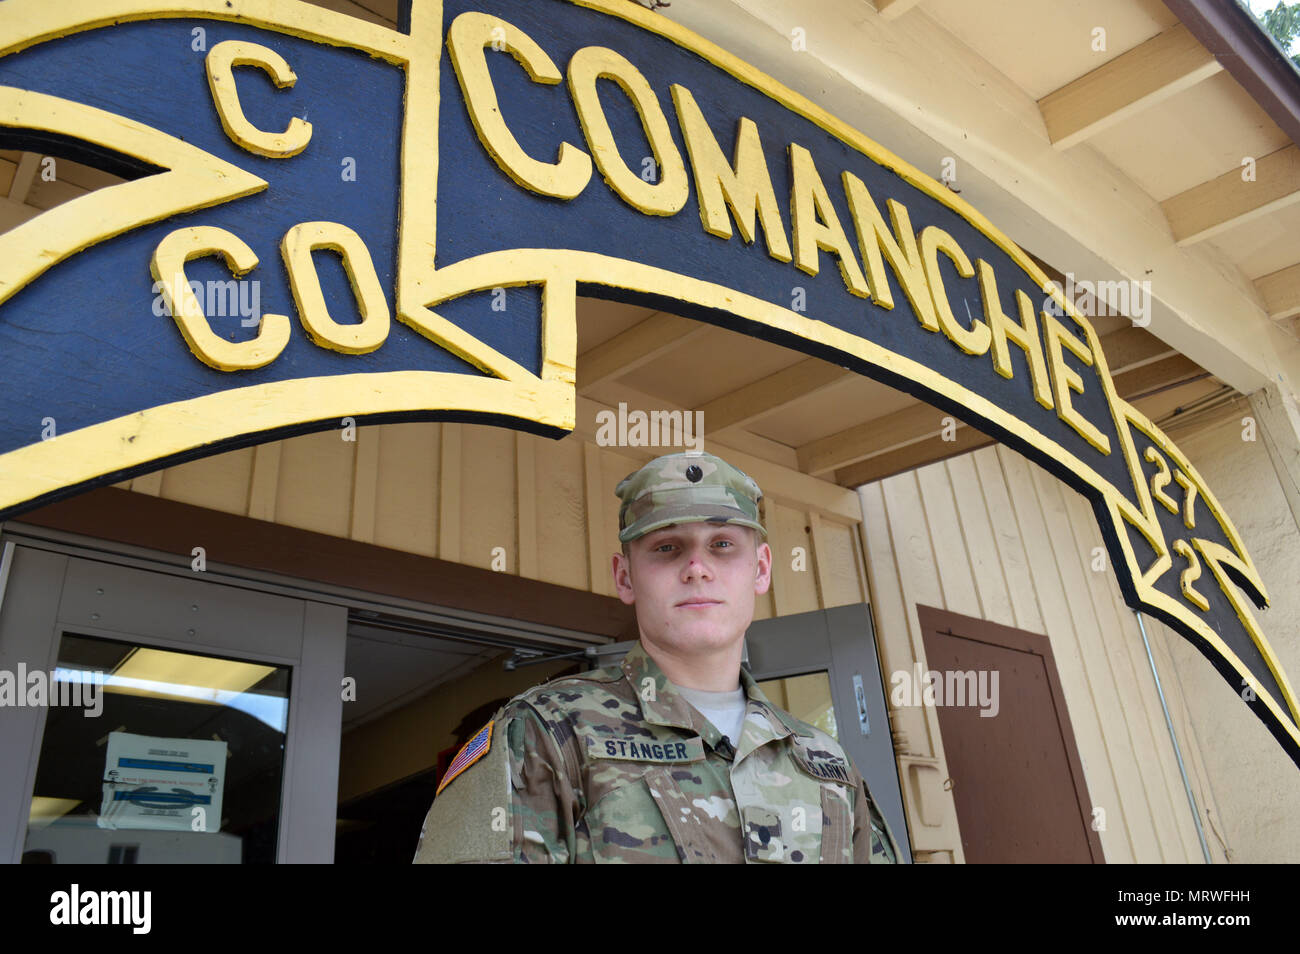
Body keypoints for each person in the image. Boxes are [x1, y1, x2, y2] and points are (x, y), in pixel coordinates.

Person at [412, 449, 901, 863]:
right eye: (667, 547)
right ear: (625, 577)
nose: (697, 568)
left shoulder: (825, 762)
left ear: (761, 568)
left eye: (723, 545)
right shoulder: (548, 735)